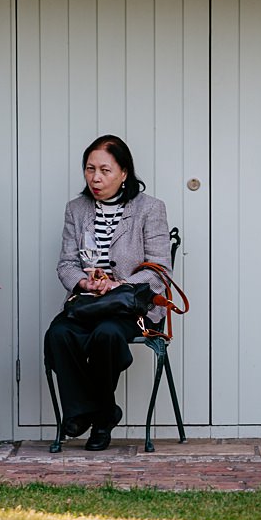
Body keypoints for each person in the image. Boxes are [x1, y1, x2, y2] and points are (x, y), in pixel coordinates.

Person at [44, 134, 171, 452]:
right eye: (89, 169)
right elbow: (67, 264)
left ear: (124, 172)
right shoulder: (77, 209)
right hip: (87, 303)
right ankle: (101, 411)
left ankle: (96, 420)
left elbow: (159, 269)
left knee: (107, 335)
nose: (95, 178)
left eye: (105, 170)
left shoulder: (149, 209)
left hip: (129, 306)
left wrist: (117, 284)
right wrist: (85, 283)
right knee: (58, 334)